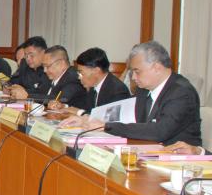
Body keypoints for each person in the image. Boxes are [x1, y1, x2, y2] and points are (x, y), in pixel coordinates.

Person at [61, 41, 202, 146]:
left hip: (177, 159)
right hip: (147, 150)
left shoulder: (182, 92)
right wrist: (88, 120)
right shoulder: (144, 90)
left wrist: (106, 126)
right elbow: (123, 114)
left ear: (157, 68)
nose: (133, 78)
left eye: (137, 71)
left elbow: (159, 131)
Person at [54, 47, 130, 115]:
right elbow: (83, 105)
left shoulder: (118, 91)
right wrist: (64, 106)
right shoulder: (94, 86)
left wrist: (79, 112)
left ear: (96, 71)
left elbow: (108, 119)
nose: (79, 77)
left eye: (81, 72)